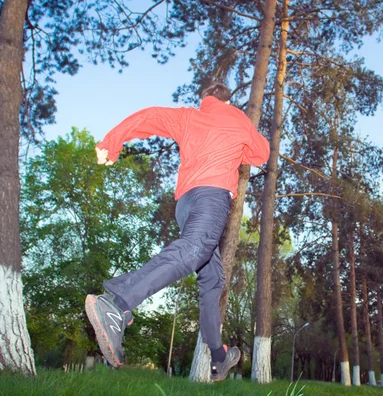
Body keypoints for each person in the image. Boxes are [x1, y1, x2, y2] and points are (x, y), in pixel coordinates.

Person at [85, 82, 269, 381]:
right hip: (211, 197)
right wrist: (236, 149)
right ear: (227, 99)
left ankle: (219, 356)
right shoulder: (238, 118)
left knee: (212, 280)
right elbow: (261, 153)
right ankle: (116, 305)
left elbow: (148, 116)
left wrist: (112, 142)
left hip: (185, 205)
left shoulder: (188, 116)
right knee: (196, 249)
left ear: (205, 99)